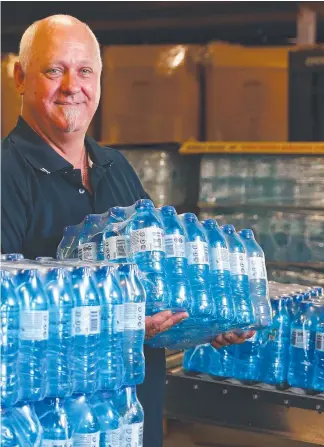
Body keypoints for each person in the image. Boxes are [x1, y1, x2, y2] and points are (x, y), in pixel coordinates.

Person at [1, 15, 254, 446]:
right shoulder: (7, 174)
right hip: (50, 425)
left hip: (131, 417)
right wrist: (122, 324)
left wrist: (208, 322)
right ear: (21, 77)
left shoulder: (115, 167)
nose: (71, 86)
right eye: (54, 70)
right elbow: (8, 323)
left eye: (84, 71)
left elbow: (152, 288)